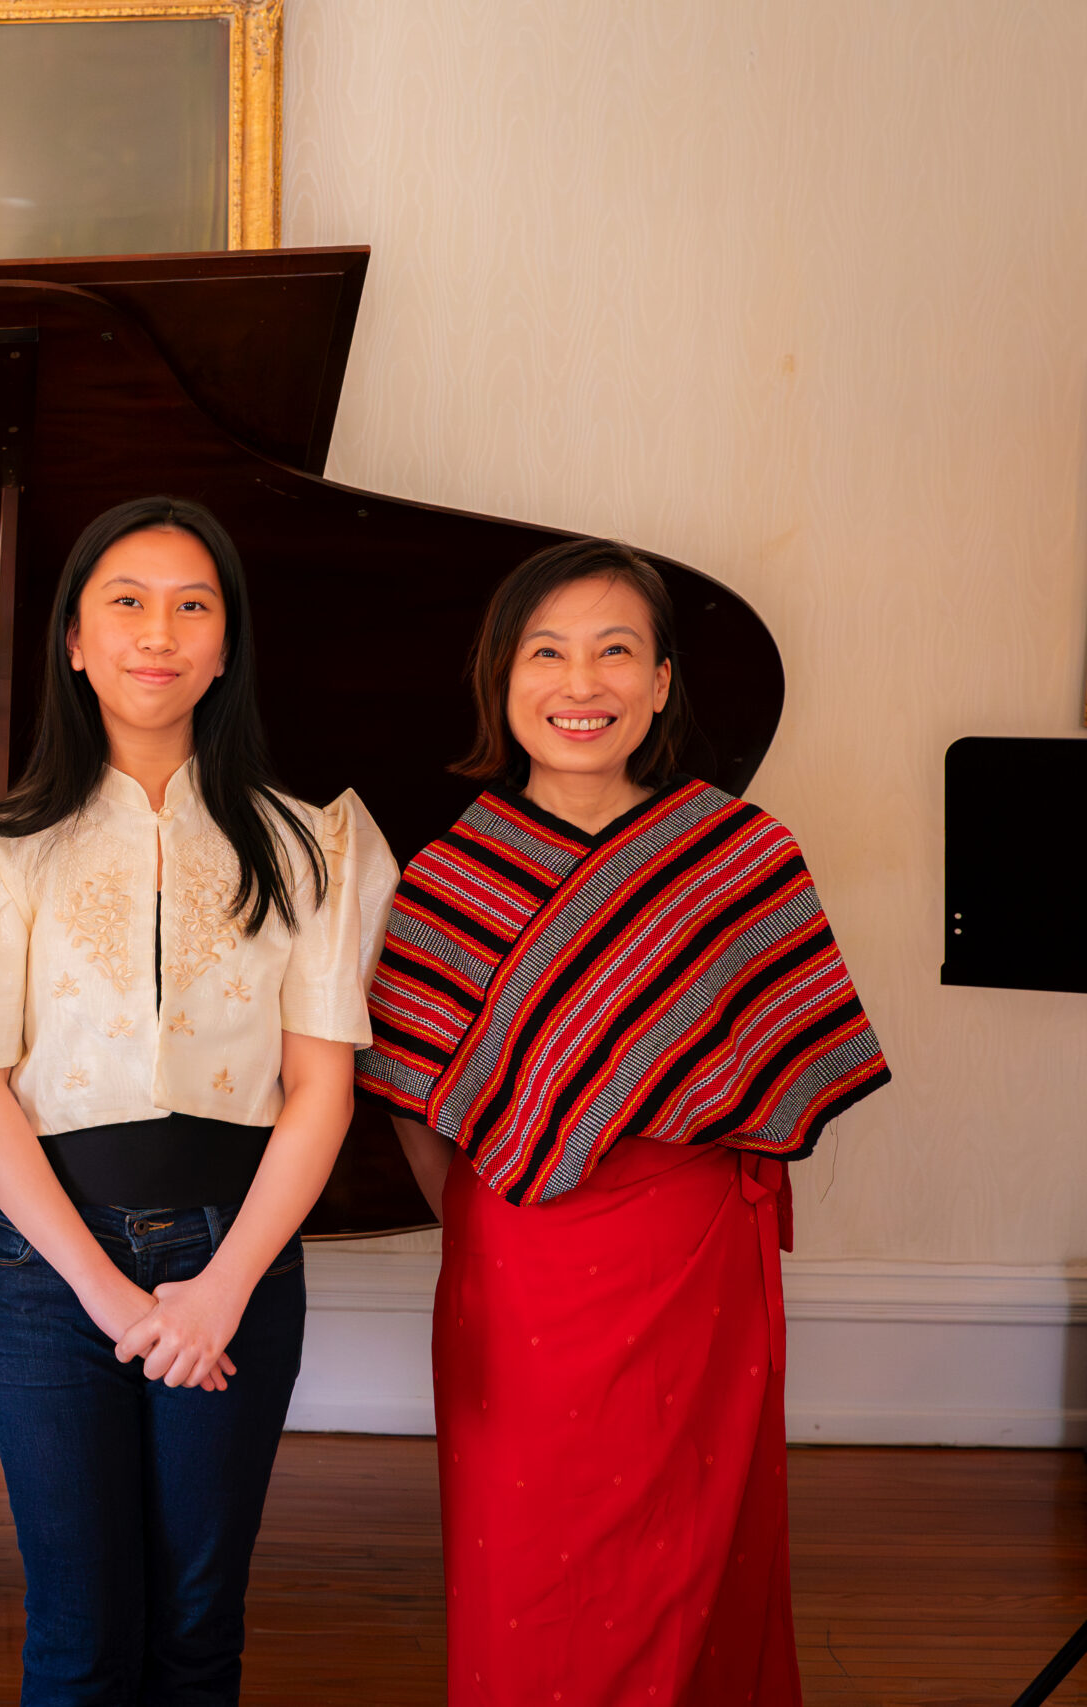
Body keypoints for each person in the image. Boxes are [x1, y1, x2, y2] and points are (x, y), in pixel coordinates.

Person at [356, 539, 892, 1707]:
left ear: (659, 685)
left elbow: (785, 1056)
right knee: (527, 1556)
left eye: (614, 653)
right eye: (546, 654)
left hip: (697, 1257)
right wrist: (501, 1216)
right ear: (503, 681)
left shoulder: (743, 857)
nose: (579, 684)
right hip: (518, 1262)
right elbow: (418, 1099)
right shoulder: (449, 878)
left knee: (700, 1542)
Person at [0, 496, 398, 1703]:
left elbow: (321, 1092)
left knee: (196, 1628)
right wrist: (109, 1297)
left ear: (225, 647)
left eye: (190, 605)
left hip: (241, 1264)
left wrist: (217, 1295)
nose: (155, 632)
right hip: (51, 1278)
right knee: (75, 1631)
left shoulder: (313, 844)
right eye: (125, 601)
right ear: (73, 639)